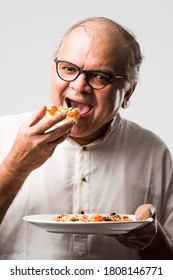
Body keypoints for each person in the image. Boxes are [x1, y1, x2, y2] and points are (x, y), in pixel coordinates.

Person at [0, 17, 173, 260]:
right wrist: (16, 165)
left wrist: (153, 238)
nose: (79, 86)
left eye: (100, 76)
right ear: (54, 70)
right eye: (69, 68)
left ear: (128, 93)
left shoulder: (154, 152)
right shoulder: (4, 134)